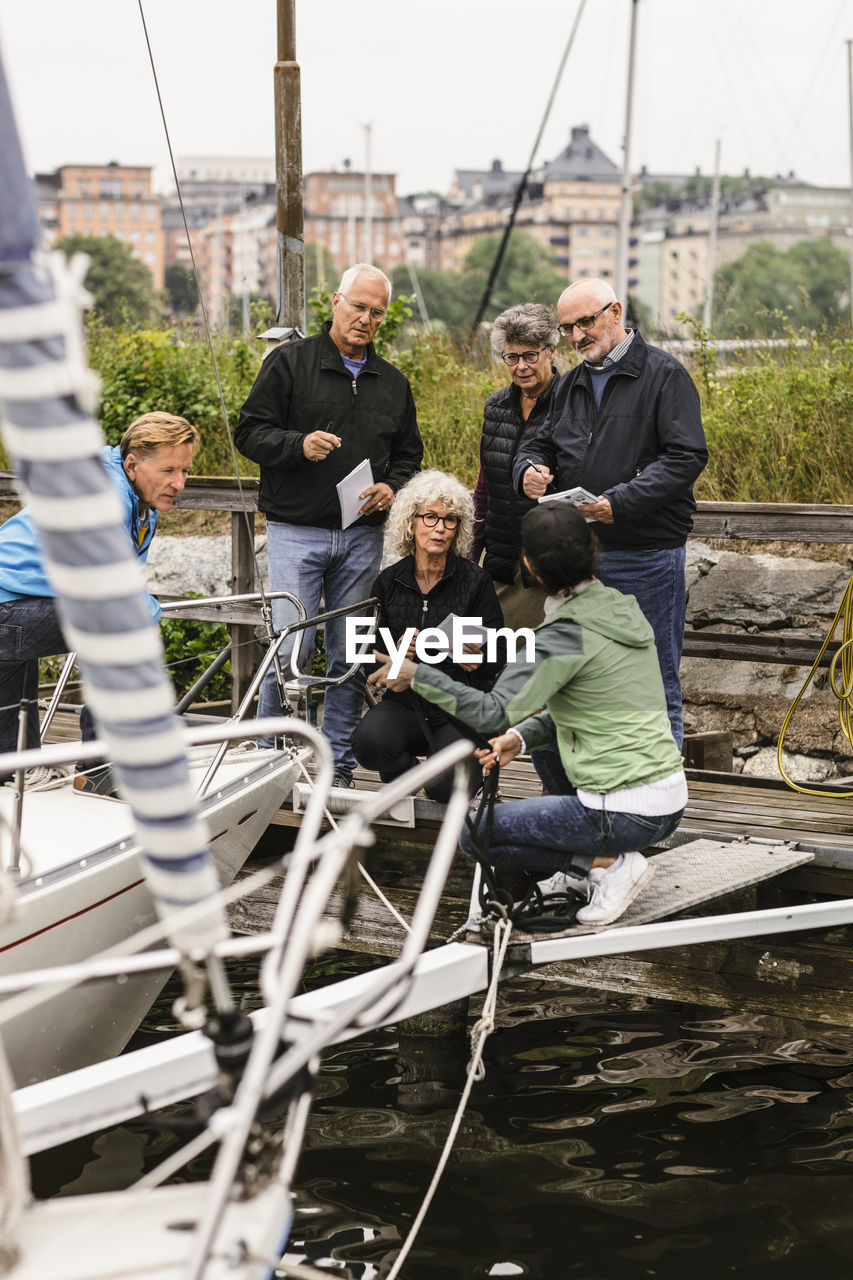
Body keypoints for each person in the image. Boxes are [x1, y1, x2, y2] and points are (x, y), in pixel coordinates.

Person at [369, 501, 687, 928]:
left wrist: (417, 674)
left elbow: (491, 711)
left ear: (529, 567)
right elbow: (589, 709)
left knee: (476, 835)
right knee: (529, 776)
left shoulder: (562, 635)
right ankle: (586, 870)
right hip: (668, 799)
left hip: (622, 812)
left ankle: (609, 866)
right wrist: (520, 739)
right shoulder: (621, 609)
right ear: (593, 549)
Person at [235, 263, 423, 787]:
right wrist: (298, 445)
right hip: (297, 529)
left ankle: (335, 766)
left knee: (350, 652)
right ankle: (264, 759)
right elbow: (249, 432)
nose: (366, 318)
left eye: (377, 312)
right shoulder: (290, 364)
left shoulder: (393, 382)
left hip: (363, 534)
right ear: (335, 301)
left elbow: (409, 455)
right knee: (289, 646)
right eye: (358, 306)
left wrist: (394, 487)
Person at [516, 278, 708, 748]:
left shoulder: (665, 375)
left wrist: (619, 503)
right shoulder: (572, 383)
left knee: (653, 678)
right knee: (580, 678)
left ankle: (659, 802)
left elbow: (686, 456)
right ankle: (596, 794)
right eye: (567, 328)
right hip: (581, 558)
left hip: (645, 556)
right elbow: (541, 441)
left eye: (586, 321)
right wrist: (529, 468)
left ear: (615, 312)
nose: (578, 336)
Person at [0, 411, 199, 779]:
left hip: (13, 605)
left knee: (13, 761)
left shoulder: (135, 494)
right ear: (132, 463)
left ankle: (17, 769)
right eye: (169, 470)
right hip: (9, 610)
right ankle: (102, 769)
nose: (179, 483)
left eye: (185, 471)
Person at [353, 471, 504, 803]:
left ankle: (461, 780)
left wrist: (473, 657)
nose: (439, 527)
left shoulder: (475, 581)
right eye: (431, 517)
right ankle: (409, 783)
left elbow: (498, 651)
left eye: (449, 520)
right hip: (406, 705)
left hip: (459, 707)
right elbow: (366, 655)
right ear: (412, 522)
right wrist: (394, 659)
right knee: (368, 743)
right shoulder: (388, 582)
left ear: (458, 529)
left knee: (443, 789)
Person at [467, 303, 559, 630]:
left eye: (530, 355)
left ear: (551, 351)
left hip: (547, 564)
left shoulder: (571, 405)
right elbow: (483, 489)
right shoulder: (496, 406)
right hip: (499, 561)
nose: (520, 366)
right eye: (511, 357)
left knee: (531, 664)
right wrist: (470, 555)